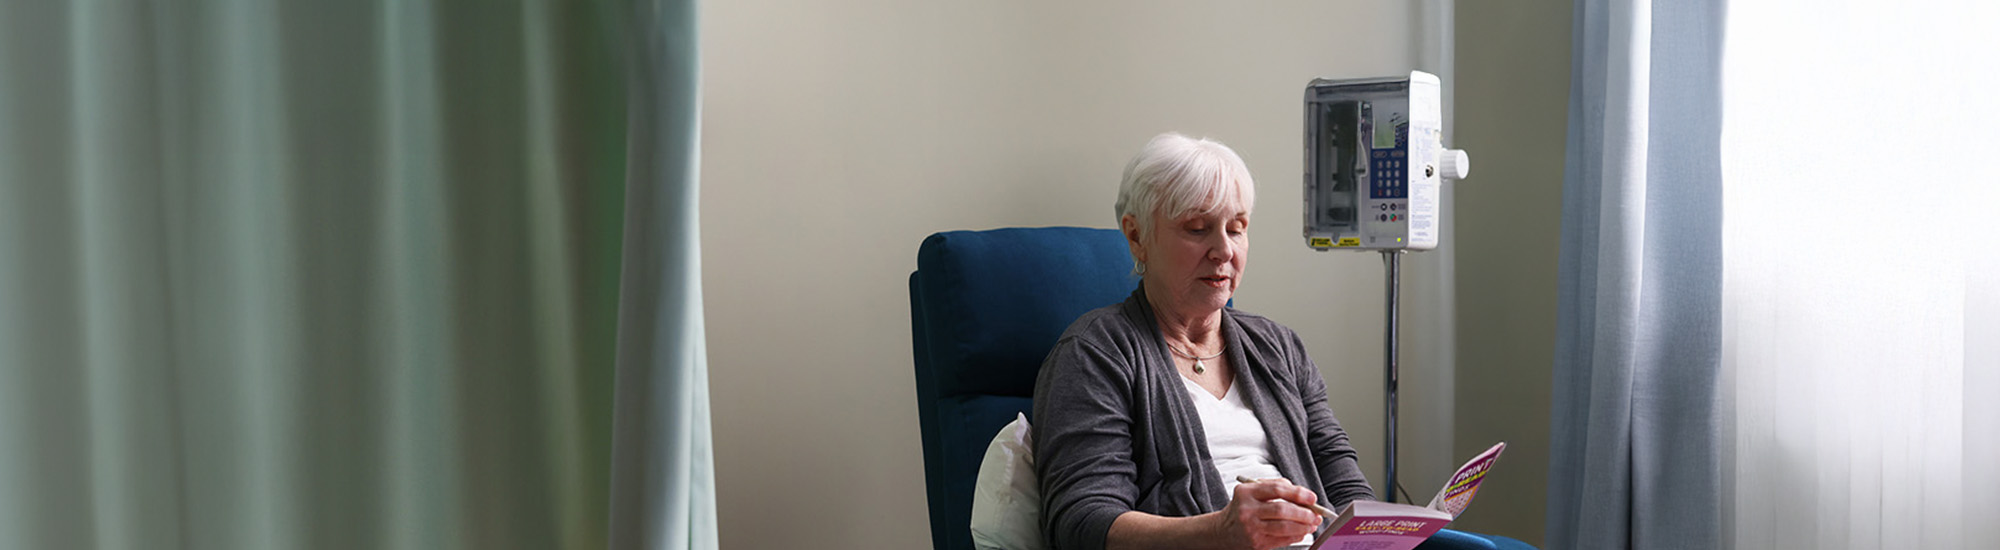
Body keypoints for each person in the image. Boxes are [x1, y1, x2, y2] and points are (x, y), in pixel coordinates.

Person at [1032, 133, 1374, 550]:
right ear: (1136, 237)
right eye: (1197, 228)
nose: (1224, 250)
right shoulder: (1095, 353)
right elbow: (1081, 524)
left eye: (1237, 228)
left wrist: (1382, 535)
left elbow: (1341, 477)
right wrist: (1219, 532)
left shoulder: (1279, 346)